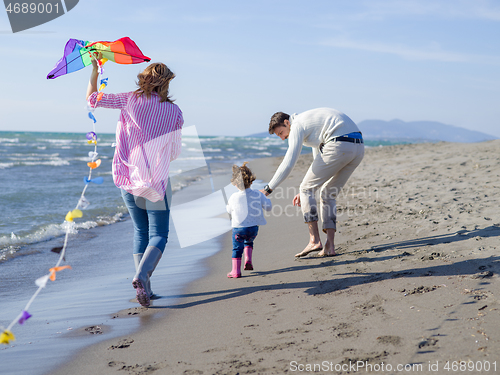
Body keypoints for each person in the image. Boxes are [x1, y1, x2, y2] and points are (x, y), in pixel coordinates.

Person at [86, 57, 183, 306]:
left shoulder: (129, 99)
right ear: (166, 83)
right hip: (156, 179)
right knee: (159, 234)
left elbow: (92, 99)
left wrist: (95, 73)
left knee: (140, 230)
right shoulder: (175, 112)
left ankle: (145, 290)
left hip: (127, 175)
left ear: (145, 78)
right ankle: (142, 276)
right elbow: (174, 152)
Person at [262, 108, 364, 258]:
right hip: (358, 147)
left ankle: (314, 240)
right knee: (328, 194)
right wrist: (309, 190)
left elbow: (289, 161)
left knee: (305, 189)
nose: (282, 138)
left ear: (286, 122)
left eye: (281, 133)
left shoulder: (297, 125)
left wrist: (268, 189)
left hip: (339, 143)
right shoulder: (310, 123)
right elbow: (319, 156)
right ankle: (330, 246)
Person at [226, 162, 272, 278]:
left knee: (237, 248)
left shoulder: (233, 197)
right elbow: (268, 207)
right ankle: (248, 261)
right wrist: (266, 199)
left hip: (239, 229)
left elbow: (229, 210)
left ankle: (235, 271)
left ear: (235, 183)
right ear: (251, 181)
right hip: (253, 229)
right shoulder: (258, 194)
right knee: (248, 241)